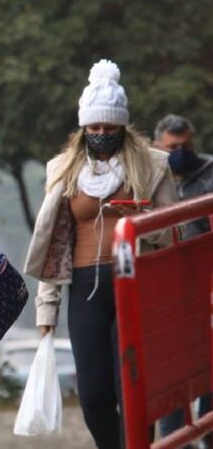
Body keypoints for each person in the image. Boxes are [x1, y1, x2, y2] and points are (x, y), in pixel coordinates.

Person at [24, 60, 178, 449]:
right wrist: (47, 312)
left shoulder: (153, 165)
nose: (102, 135)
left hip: (136, 283)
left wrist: (140, 219)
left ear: (122, 127)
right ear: (83, 128)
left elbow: (172, 231)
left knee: (132, 388)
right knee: (93, 396)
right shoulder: (63, 170)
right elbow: (53, 243)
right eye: (95, 128)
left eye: (110, 128)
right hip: (86, 289)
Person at [153, 114, 213, 447]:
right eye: (173, 147)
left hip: (204, 286)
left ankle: (207, 431)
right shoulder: (151, 176)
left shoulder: (209, 172)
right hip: (163, 289)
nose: (181, 152)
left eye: (186, 145)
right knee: (169, 374)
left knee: (208, 364)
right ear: (158, 146)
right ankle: (175, 439)